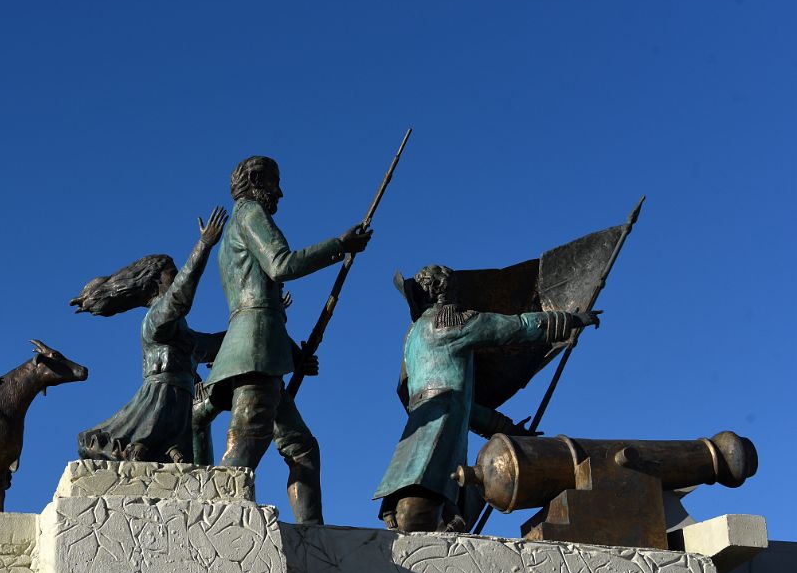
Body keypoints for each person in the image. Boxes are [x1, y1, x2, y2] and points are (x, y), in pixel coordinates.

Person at [203, 155, 372, 524]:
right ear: (256, 183)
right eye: (274, 183)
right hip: (255, 351)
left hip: (262, 346)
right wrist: (339, 245)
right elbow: (281, 265)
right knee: (248, 442)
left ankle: (312, 535)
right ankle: (215, 523)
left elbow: (262, 299)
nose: (280, 192)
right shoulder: (249, 214)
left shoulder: (236, 227)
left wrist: (294, 355)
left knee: (303, 448)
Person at [374, 264, 600, 532]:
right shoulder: (449, 321)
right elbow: (510, 327)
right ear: (447, 290)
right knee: (420, 514)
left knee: (448, 515)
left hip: (421, 427)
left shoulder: (413, 335)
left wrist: (509, 430)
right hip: (438, 436)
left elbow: (460, 404)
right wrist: (566, 321)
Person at [73, 207, 228, 463]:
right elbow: (181, 297)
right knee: (130, 448)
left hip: (180, 410)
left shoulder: (183, 334)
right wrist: (204, 246)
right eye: (172, 272)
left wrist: (261, 316)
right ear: (155, 280)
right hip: (158, 403)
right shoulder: (156, 317)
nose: (177, 276)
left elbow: (216, 344)